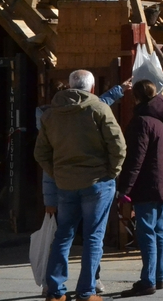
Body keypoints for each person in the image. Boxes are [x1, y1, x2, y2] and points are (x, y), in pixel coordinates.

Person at [35, 70, 126, 301]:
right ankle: (86, 292)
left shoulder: (51, 115)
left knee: (63, 235)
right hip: (97, 182)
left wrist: (57, 173)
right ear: (92, 88)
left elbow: (41, 153)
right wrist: (111, 173)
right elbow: (118, 146)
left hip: (66, 183)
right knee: (93, 236)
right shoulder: (98, 109)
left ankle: (55, 292)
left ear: (70, 87)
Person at [118, 80, 163, 298]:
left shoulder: (141, 121)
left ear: (136, 97)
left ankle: (148, 280)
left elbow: (135, 159)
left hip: (147, 184)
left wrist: (124, 188)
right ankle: (158, 276)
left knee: (146, 233)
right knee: (160, 230)